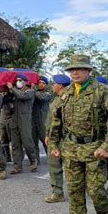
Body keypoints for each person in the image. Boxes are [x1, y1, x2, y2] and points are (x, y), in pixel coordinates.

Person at [48, 55, 108, 214]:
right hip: (71, 150)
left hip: (94, 150)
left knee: (96, 191)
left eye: (79, 69)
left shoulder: (103, 92)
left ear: (89, 71)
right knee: (74, 191)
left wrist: (106, 147)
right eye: (71, 69)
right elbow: (56, 120)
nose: (74, 72)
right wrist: (54, 143)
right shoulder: (65, 95)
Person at [44, 74, 70, 203]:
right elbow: (50, 119)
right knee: (54, 164)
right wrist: (48, 134)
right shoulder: (55, 99)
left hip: (68, 138)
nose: (52, 85)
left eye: (54, 83)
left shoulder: (71, 99)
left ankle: (79, 190)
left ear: (60, 85)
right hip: (55, 138)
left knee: (72, 166)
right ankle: (57, 192)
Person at [7, 74, 38, 174]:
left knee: (27, 142)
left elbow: (21, 96)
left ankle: (33, 160)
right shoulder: (14, 91)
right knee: (15, 144)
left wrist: (12, 88)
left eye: (20, 80)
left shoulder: (29, 91)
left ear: (25, 81)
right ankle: (17, 166)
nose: (18, 82)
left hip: (25, 120)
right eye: (16, 80)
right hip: (14, 120)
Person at [32, 76, 53, 164]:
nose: (41, 84)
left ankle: (51, 158)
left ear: (46, 85)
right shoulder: (34, 92)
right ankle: (36, 160)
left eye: (43, 83)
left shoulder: (48, 93)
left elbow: (42, 98)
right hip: (33, 119)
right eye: (39, 82)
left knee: (45, 140)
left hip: (43, 120)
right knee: (34, 141)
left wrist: (33, 90)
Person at [0, 90, 14, 163]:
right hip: (2, 120)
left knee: (14, 139)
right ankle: (7, 156)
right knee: (3, 139)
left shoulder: (12, 96)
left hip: (11, 120)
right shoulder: (0, 96)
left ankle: (16, 157)